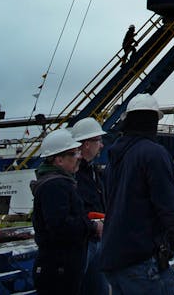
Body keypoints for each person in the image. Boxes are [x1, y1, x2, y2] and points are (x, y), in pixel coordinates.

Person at [97, 94, 174, 295]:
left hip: (114, 258)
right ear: (153, 120)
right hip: (141, 260)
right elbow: (168, 204)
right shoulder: (153, 153)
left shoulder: (114, 158)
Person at [32, 129, 103, 295]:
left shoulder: (60, 183)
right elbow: (60, 226)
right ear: (59, 160)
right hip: (59, 268)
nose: (79, 157)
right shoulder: (55, 186)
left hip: (62, 265)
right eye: (74, 153)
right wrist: (92, 227)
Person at [70, 117, 109, 295]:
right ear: (86, 144)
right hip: (84, 242)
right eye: (98, 141)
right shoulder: (75, 175)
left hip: (95, 239)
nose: (101, 145)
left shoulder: (90, 171)